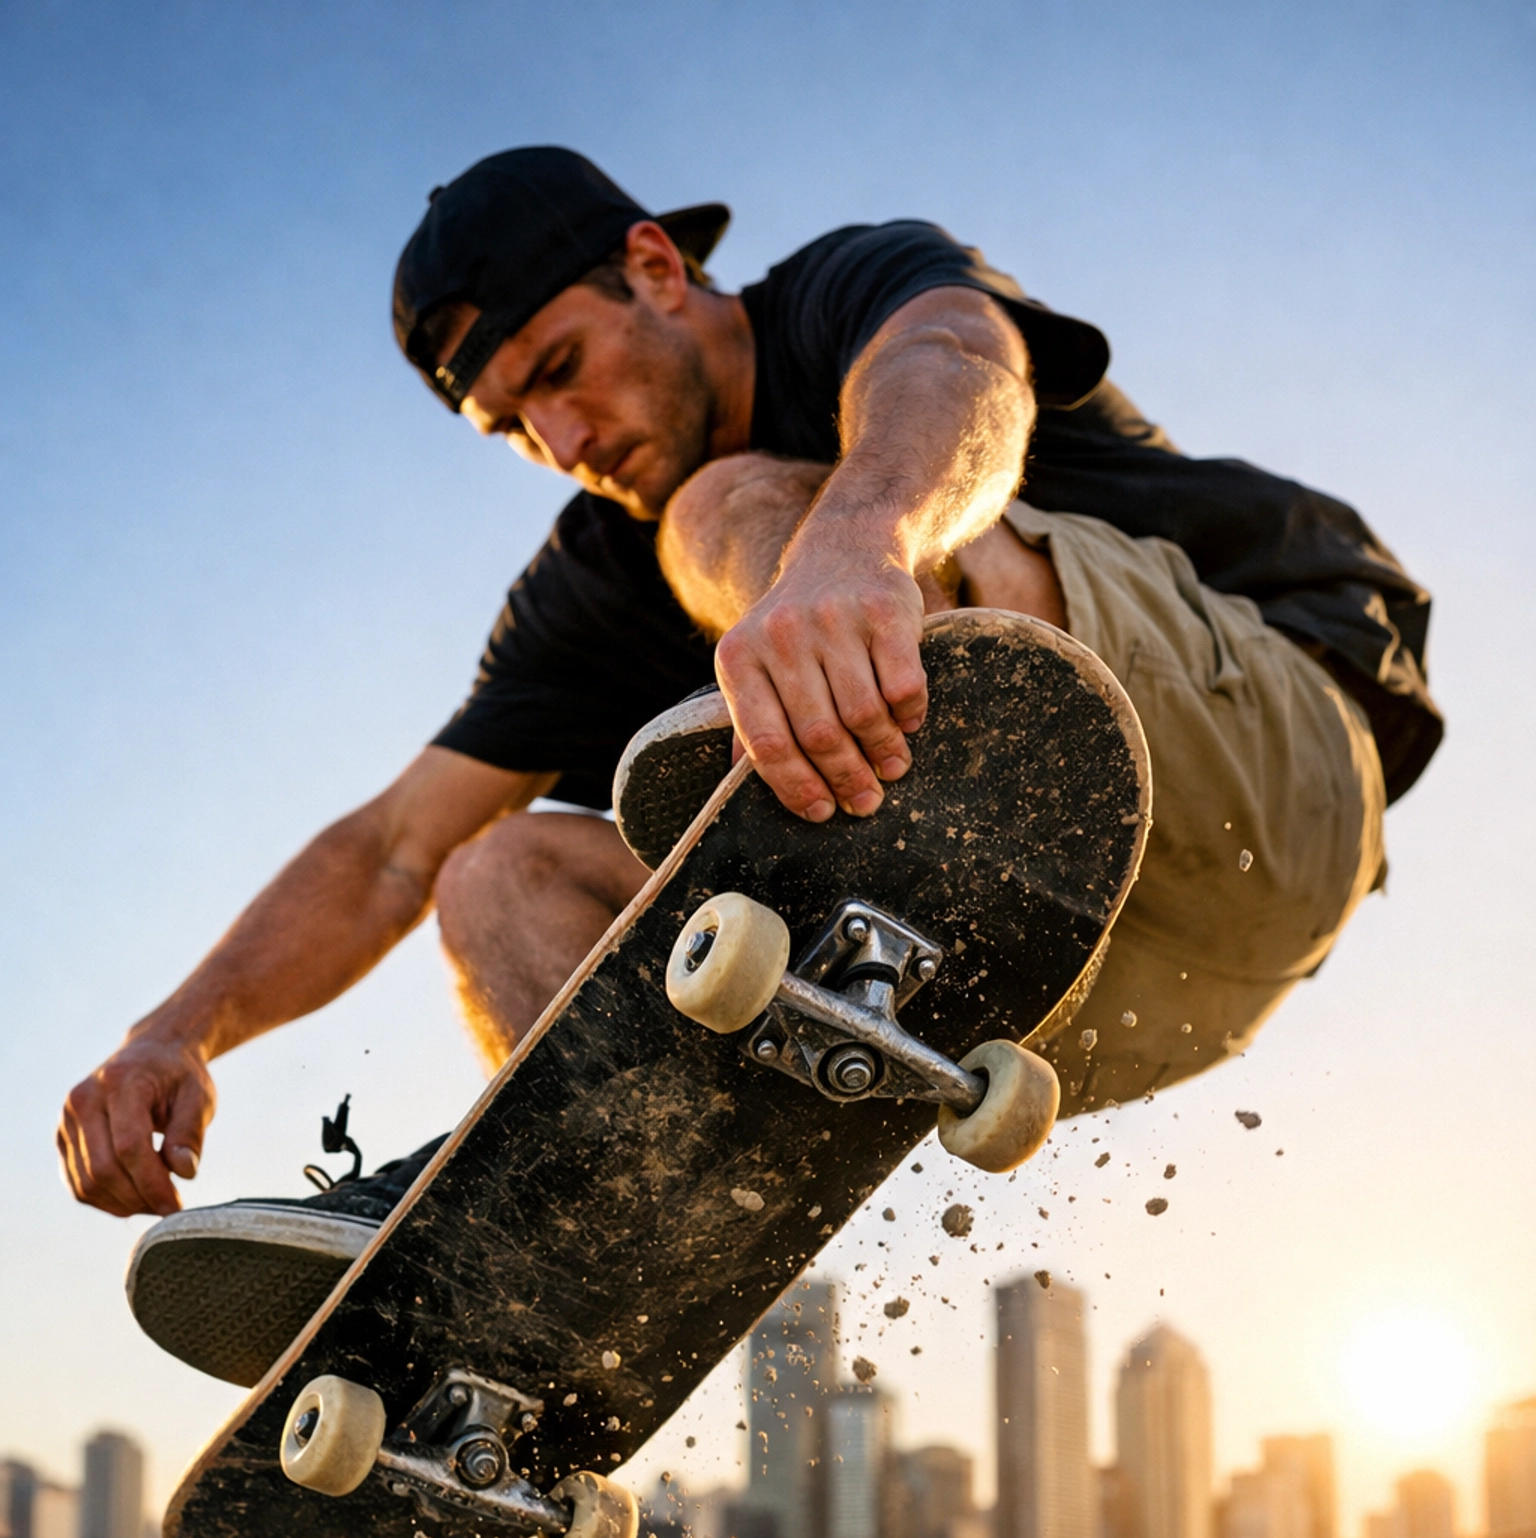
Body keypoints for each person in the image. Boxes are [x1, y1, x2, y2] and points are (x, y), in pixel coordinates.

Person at [57, 147, 1441, 1382]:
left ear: (656, 268)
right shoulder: (583, 585)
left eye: (559, 372)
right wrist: (172, 1031)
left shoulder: (845, 293)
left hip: (1267, 763)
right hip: (1084, 996)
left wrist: (862, 540)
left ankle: (902, 769)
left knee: (728, 509)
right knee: (501, 874)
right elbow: (390, 852)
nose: (567, 444)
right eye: (516, 429)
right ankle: (587, 1213)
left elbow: (958, 362)